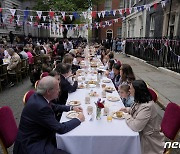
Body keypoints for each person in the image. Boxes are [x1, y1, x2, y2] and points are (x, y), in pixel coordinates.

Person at [13, 76, 85, 154]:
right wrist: (78, 119)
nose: (59, 90)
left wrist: (71, 108)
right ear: (48, 91)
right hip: (32, 144)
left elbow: (54, 106)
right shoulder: (41, 107)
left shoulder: (39, 97)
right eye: (57, 89)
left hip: (38, 135)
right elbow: (60, 129)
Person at [120, 80, 164, 154]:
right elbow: (138, 110)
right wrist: (128, 110)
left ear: (137, 91)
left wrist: (126, 116)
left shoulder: (147, 107)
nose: (129, 90)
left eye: (131, 89)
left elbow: (136, 127)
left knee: (122, 142)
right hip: (142, 133)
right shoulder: (140, 100)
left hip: (148, 141)